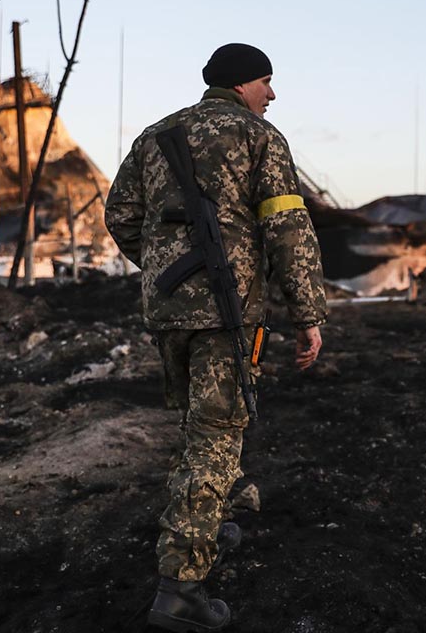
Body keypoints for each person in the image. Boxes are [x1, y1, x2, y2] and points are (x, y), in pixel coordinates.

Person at [105, 43, 327, 632]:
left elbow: (121, 216)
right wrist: (309, 312)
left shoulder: (155, 135)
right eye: (266, 82)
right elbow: (287, 226)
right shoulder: (259, 137)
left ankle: (218, 512)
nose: (272, 95)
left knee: (201, 426)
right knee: (215, 437)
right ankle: (181, 588)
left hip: (171, 313)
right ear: (241, 84)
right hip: (228, 317)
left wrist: (165, 271)